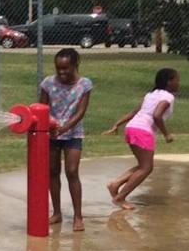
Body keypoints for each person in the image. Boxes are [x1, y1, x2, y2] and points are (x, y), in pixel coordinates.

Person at [104, 68, 180, 210]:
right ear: (169, 82)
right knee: (147, 168)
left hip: (132, 128)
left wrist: (117, 124)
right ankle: (120, 197)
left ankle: (115, 184)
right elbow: (157, 115)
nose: (178, 83)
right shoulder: (168, 97)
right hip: (143, 131)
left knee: (142, 166)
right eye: (177, 80)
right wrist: (166, 134)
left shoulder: (150, 95)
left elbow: (134, 112)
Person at [39, 48, 93, 232]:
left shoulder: (84, 85)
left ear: (75, 66)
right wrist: (49, 127)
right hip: (52, 133)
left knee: (72, 171)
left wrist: (65, 127)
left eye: (66, 69)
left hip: (73, 133)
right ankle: (57, 212)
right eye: (58, 69)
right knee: (53, 171)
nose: (62, 72)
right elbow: (41, 107)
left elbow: (81, 111)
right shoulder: (48, 83)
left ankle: (78, 216)